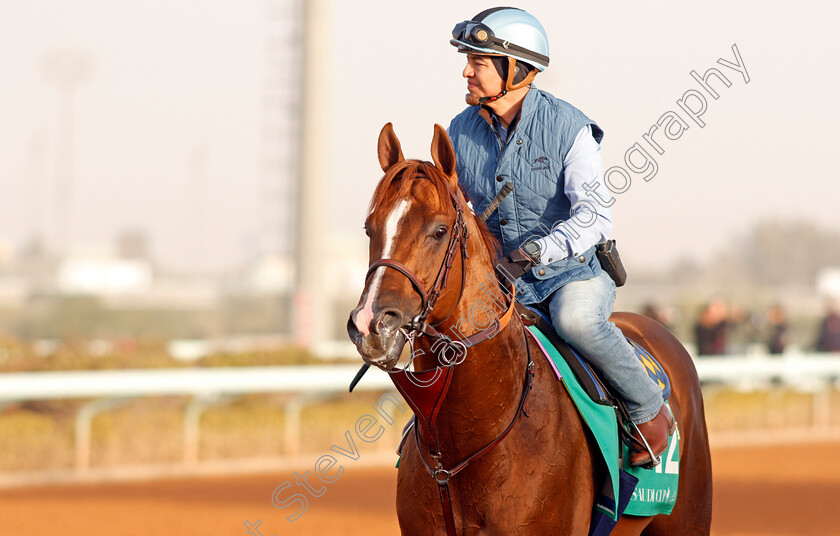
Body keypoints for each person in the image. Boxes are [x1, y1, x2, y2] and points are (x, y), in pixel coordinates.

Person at [446, 7, 672, 467]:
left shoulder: (571, 128)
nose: (467, 70)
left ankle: (649, 410)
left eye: (479, 61)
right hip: (503, 284)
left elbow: (595, 215)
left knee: (575, 322)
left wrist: (538, 249)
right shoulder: (459, 130)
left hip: (573, 275)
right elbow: (459, 212)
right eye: (468, 59)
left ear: (518, 70)